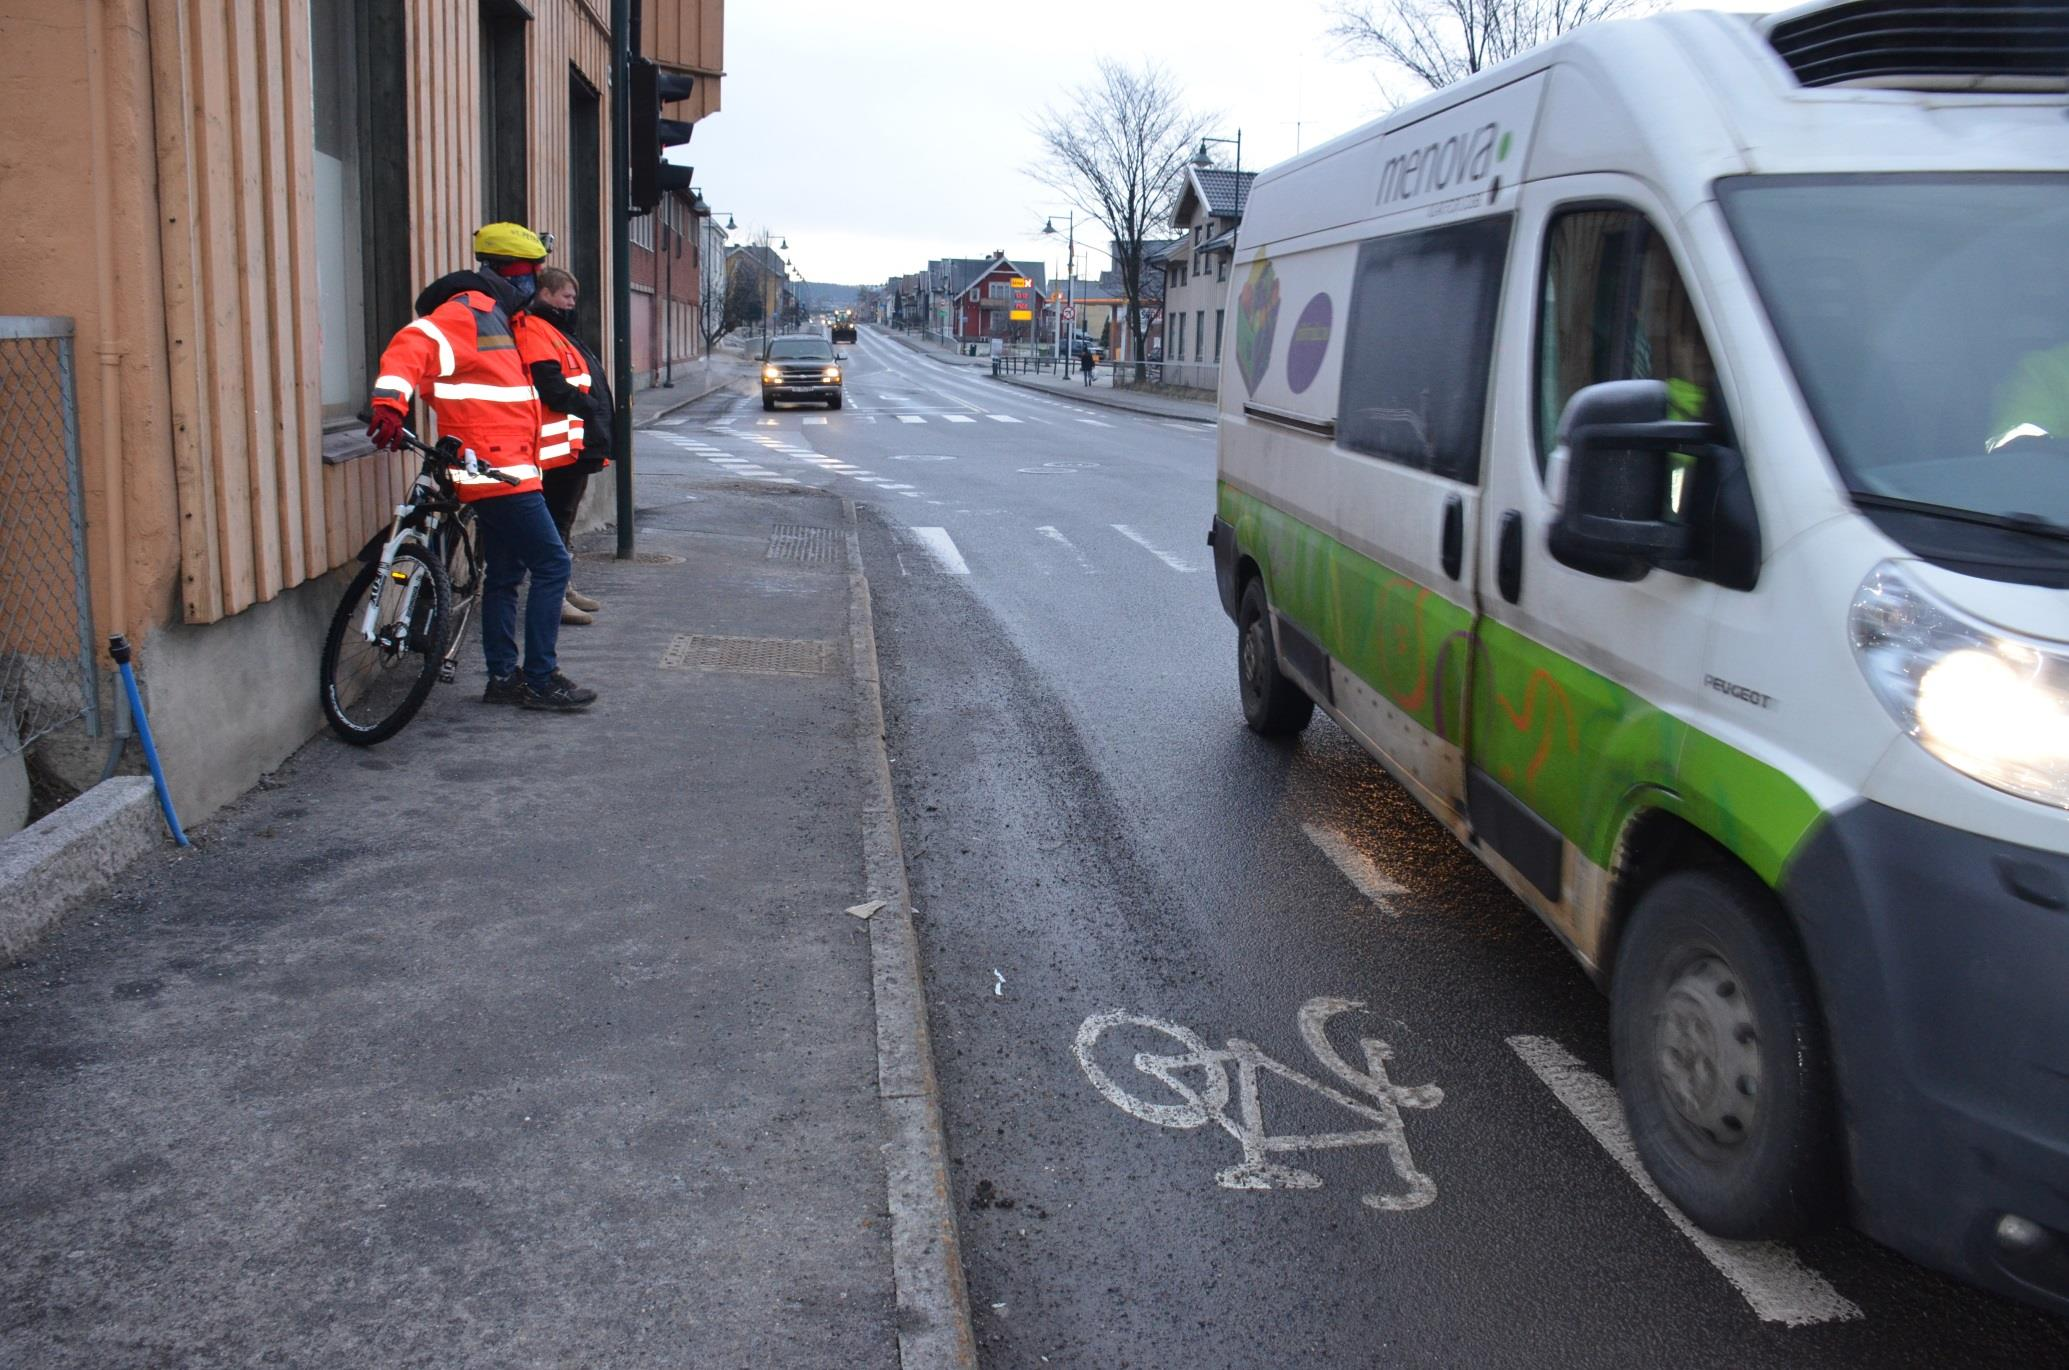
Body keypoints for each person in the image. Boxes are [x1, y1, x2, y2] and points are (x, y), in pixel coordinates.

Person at [364, 222, 597, 712]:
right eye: (534, 274)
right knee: (552, 564)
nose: (537, 284)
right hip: (494, 471)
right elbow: (414, 345)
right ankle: (538, 678)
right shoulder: (471, 312)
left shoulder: (505, 321)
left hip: (508, 468)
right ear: (519, 274)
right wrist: (389, 401)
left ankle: (502, 677)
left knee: (506, 573)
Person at [515, 267, 608, 625]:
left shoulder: (555, 331)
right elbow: (549, 384)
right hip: (557, 449)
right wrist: (588, 406)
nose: (572, 304)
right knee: (555, 522)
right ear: (547, 294)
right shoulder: (537, 329)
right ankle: (554, 596)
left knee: (563, 521)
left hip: (571, 444)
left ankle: (563, 588)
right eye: (567, 297)